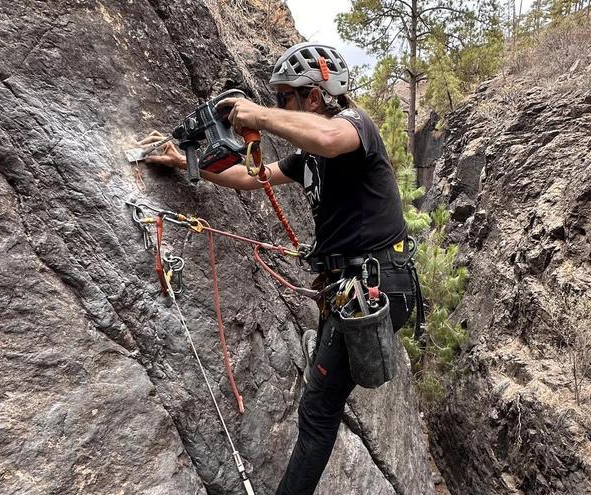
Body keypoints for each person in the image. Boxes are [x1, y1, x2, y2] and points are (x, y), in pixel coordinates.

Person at [141, 42, 417, 495]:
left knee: (317, 409)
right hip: (356, 284)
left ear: (315, 97)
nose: (279, 106)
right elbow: (251, 177)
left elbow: (328, 137)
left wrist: (258, 114)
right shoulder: (308, 156)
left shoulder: (355, 125)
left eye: (286, 96)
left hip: (377, 280)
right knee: (321, 405)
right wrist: (183, 162)